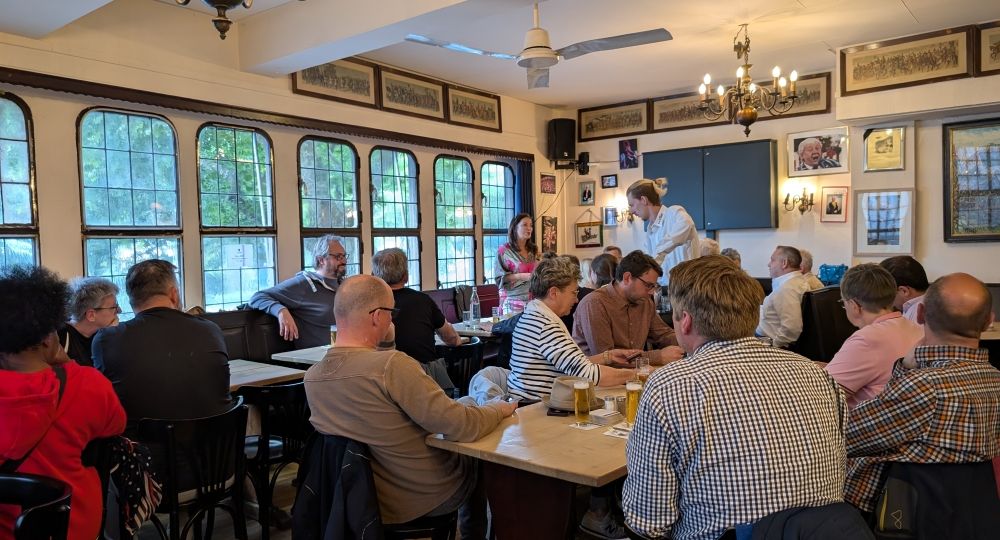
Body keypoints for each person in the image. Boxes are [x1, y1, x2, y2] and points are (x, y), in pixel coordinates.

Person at [623, 256, 846, 539]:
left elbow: (650, 521)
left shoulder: (672, 383)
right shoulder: (816, 374)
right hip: (822, 532)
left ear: (686, 321)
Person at [303, 275, 517, 538]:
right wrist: (499, 409)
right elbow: (462, 426)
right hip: (421, 495)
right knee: (477, 450)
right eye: (392, 313)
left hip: (360, 500)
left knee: (467, 405)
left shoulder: (312, 377)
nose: (393, 319)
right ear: (377, 316)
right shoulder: (393, 366)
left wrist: (386, 342)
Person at [845, 273, 1000, 514]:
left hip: (899, 514)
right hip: (973, 513)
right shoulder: (994, 379)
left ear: (919, 313)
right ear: (988, 321)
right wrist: (906, 368)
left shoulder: (925, 387)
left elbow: (843, 437)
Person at [0, 265, 126, 540]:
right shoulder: (87, 384)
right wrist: (69, 366)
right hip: (75, 522)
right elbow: (116, 425)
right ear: (48, 337)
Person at [94, 259, 230, 434]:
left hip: (144, 455)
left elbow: (102, 402)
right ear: (174, 294)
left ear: (131, 301)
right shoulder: (210, 330)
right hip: (215, 452)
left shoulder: (108, 339)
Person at [508, 256, 637, 400]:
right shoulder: (546, 325)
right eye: (573, 293)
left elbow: (573, 363)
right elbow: (588, 374)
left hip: (527, 402)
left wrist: (607, 357)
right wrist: (636, 374)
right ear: (554, 293)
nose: (576, 299)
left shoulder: (533, 314)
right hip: (536, 408)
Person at [824, 264, 923, 408]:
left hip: (866, 426)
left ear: (853, 305)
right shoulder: (915, 328)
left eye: (843, 303)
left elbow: (822, 393)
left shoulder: (867, 339)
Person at [371, 247, 460, 391]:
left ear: (374, 276)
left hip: (385, 382)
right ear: (405, 276)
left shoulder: (370, 305)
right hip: (426, 381)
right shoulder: (423, 300)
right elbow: (452, 339)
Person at [573, 250, 683, 365]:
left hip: (633, 376)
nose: (651, 292)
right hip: (598, 379)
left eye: (654, 286)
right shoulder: (594, 304)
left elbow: (663, 335)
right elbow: (608, 358)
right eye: (648, 285)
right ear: (627, 278)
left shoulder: (644, 302)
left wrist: (693, 342)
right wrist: (657, 357)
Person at [249, 234, 347, 348]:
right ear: (321, 260)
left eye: (344, 256)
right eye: (338, 256)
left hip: (346, 353)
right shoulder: (303, 284)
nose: (344, 260)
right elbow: (257, 297)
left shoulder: (346, 286)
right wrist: (281, 311)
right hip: (317, 359)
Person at [626, 179, 699, 287]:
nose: (631, 211)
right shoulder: (650, 231)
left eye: (632, 205)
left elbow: (687, 224)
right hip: (663, 293)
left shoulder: (673, 213)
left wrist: (659, 254)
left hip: (687, 290)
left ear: (643, 200)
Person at [756, 246, 812, 348]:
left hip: (766, 341)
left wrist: (775, 346)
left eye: (772, 260)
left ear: (784, 263)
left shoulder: (787, 289)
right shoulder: (797, 282)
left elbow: (792, 327)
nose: (769, 264)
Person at [59, 276, 121, 367]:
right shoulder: (60, 338)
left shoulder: (103, 335)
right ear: (91, 315)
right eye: (114, 307)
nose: (119, 310)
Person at [494, 213, 539, 314]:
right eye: (525, 225)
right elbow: (499, 279)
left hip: (534, 300)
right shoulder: (503, 251)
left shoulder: (533, 250)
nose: (529, 228)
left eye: (531, 225)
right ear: (515, 228)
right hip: (513, 301)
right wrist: (519, 276)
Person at [878, 255, 928, 323]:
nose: (887, 302)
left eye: (888, 295)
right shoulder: (931, 303)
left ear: (904, 291)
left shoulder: (916, 314)